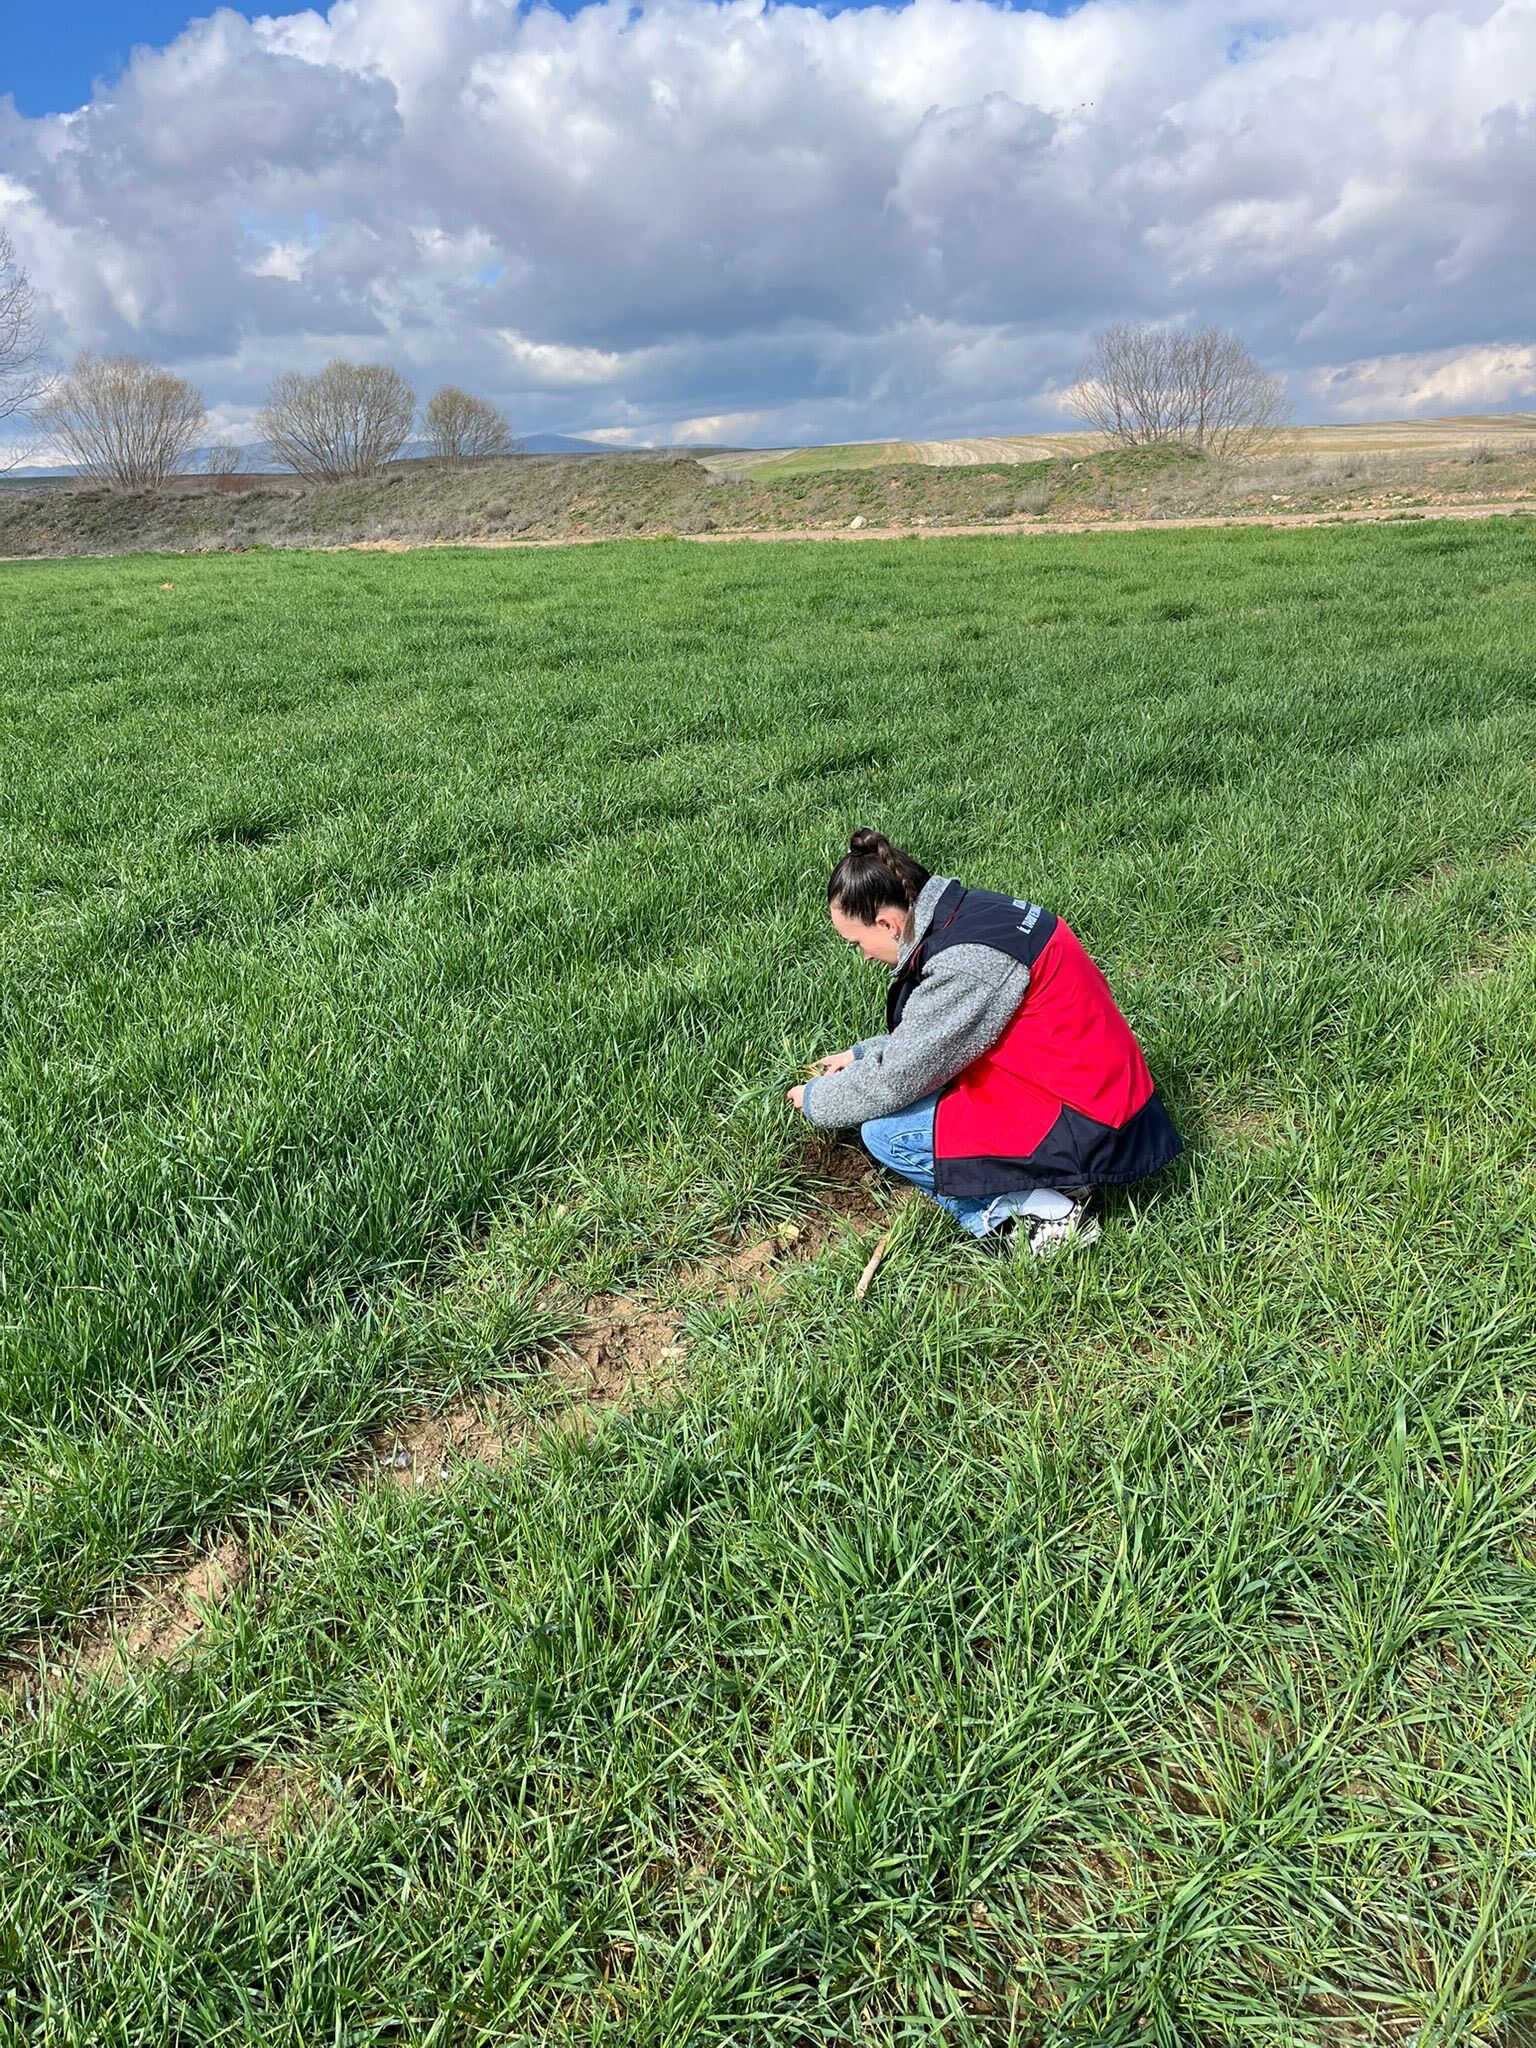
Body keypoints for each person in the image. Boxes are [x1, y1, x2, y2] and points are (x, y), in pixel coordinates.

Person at [786, 829, 1182, 1255]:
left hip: (1093, 1123)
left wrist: (816, 1100)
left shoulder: (967, 962)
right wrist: (863, 1054)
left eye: (857, 942)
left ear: (887, 923)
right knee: (927, 1094)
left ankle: (1047, 1216)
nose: (862, 954)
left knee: (887, 1133)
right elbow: (941, 1033)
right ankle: (1058, 1177)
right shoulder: (974, 914)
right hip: (1103, 1093)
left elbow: (898, 1079)